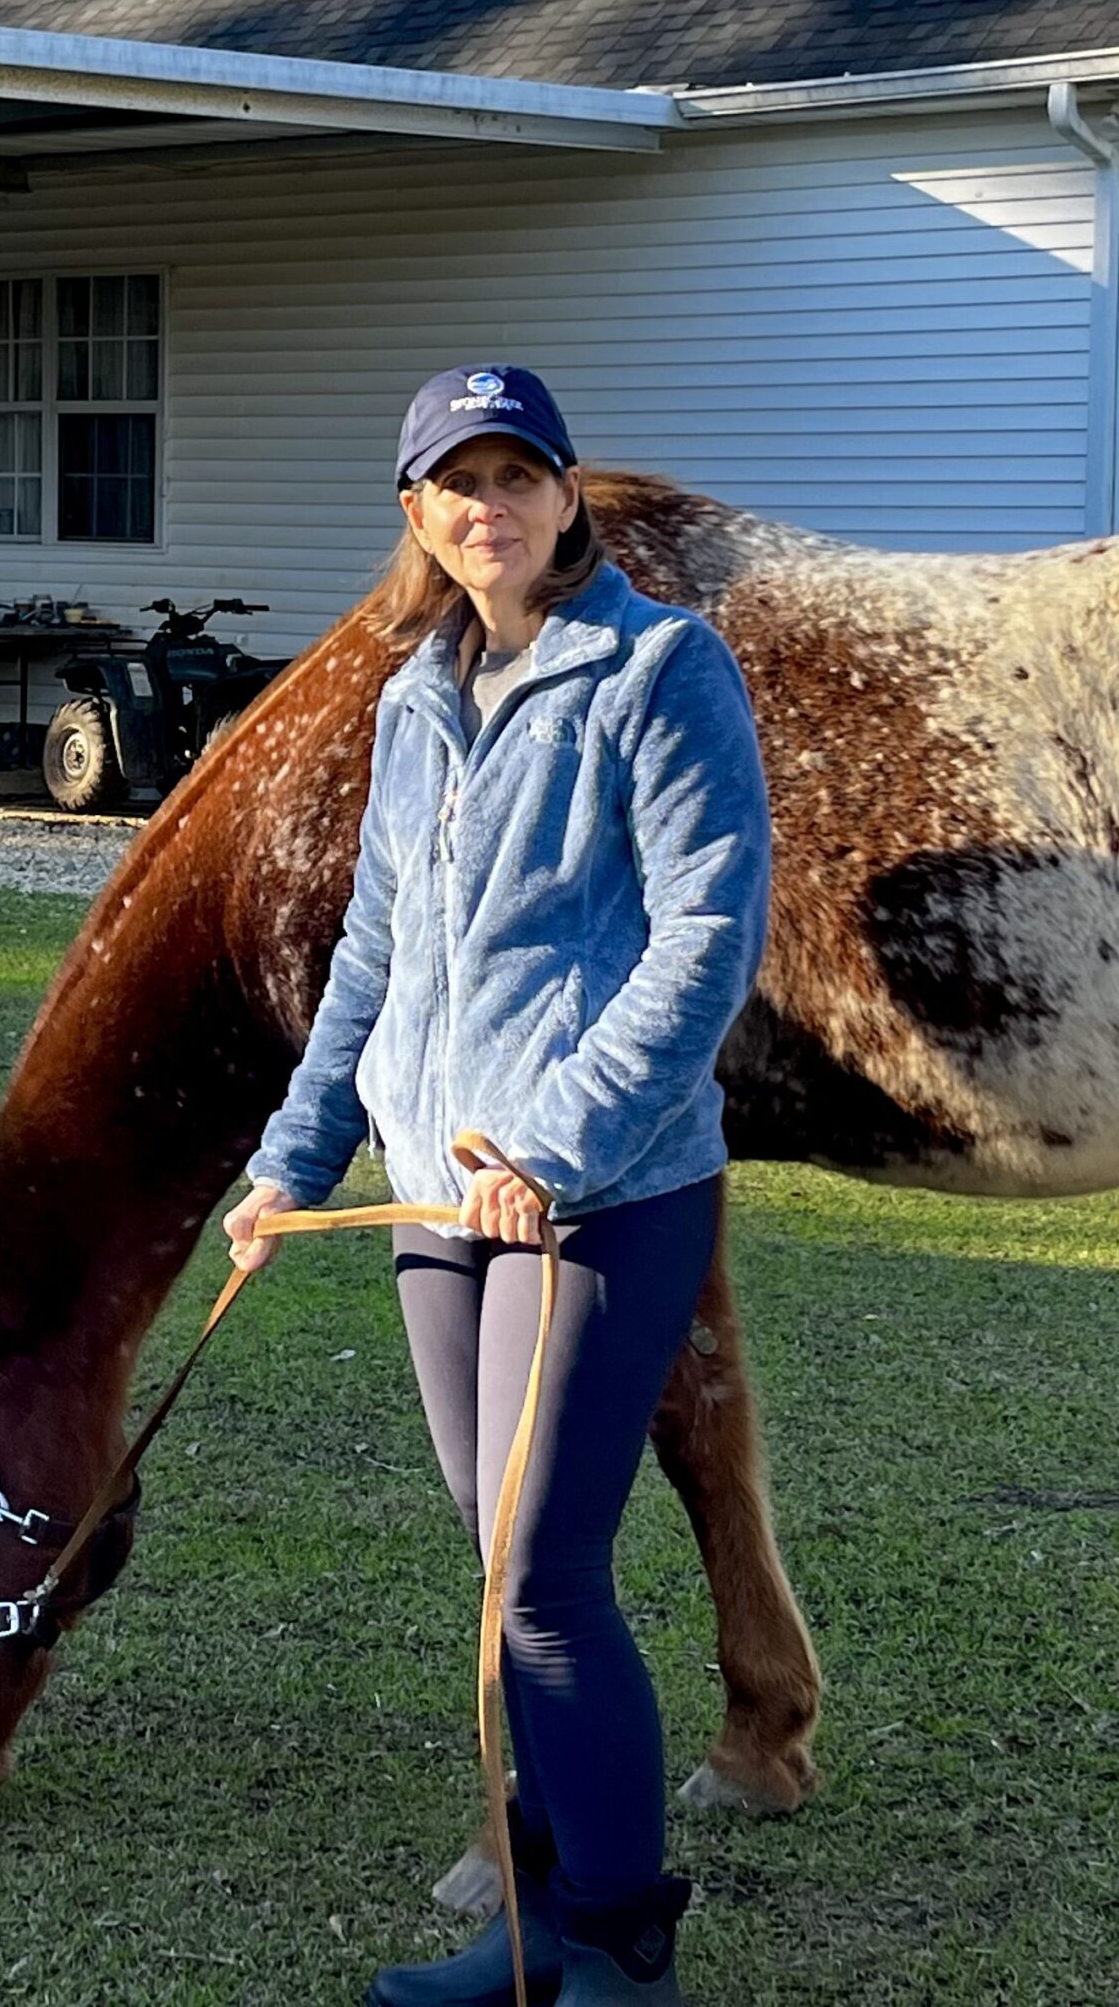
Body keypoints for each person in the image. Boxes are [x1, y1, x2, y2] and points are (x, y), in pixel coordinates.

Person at [222, 364, 772, 2007]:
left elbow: (708, 939)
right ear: (418, 515)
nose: (491, 505)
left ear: (564, 496)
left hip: (599, 1195)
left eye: (518, 474)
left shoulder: (659, 670)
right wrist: (290, 1160)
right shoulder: (415, 696)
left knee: (543, 1576)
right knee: (498, 1569)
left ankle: (620, 1945)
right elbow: (375, 955)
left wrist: (556, 1143)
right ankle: (535, 1927)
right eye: (457, 481)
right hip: (433, 1208)